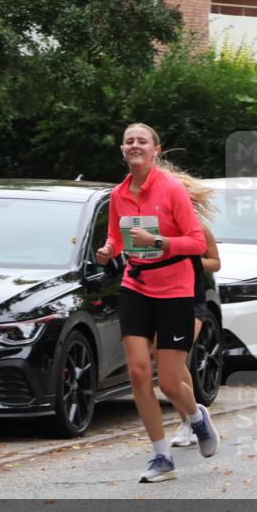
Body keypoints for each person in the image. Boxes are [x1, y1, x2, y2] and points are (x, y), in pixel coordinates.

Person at [94, 123, 219, 483]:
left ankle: (197, 418)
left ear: (155, 150)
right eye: (129, 141)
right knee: (137, 372)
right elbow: (117, 236)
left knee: (169, 382)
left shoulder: (172, 189)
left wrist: (158, 242)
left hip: (176, 290)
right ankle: (161, 456)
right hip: (136, 285)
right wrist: (109, 249)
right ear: (123, 150)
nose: (135, 145)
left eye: (142, 141)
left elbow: (196, 243)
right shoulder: (119, 194)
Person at [162, 164, 222, 448]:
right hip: (160, 297)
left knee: (176, 361)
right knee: (165, 363)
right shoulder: (155, 227)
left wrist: (189, 259)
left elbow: (216, 263)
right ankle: (189, 417)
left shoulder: (198, 228)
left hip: (191, 300)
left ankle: (191, 420)